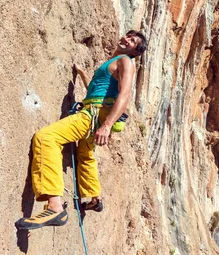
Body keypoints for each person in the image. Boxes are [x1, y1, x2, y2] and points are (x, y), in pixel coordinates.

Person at [15, 30, 148, 230]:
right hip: (94, 111)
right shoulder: (112, 64)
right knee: (85, 154)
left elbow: (125, 94)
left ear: (134, 51)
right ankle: (95, 197)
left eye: (132, 41)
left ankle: (55, 207)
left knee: (46, 138)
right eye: (128, 36)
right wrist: (83, 73)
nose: (127, 39)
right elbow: (95, 89)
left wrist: (107, 125)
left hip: (92, 115)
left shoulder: (126, 62)